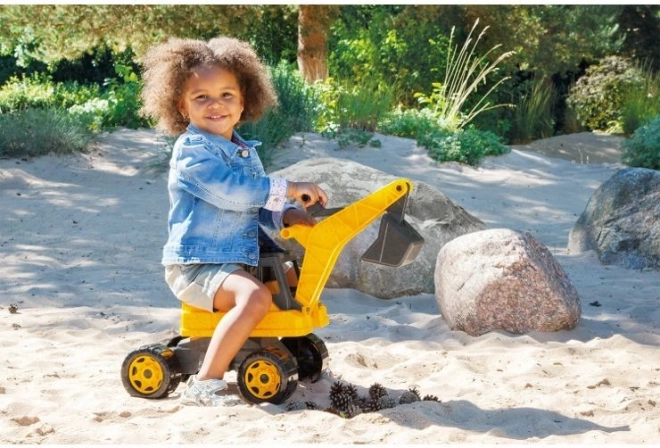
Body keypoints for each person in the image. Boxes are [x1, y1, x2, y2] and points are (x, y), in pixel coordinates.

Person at [139, 36, 328, 407]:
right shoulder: (192, 152)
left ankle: (281, 342)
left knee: (292, 280)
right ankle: (205, 382)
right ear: (181, 105)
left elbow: (256, 202)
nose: (216, 104)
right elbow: (234, 193)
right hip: (199, 265)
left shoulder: (243, 152)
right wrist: (289, 188)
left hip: (237, 260)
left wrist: (287, 213)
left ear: (245, 101)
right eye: (201, 97)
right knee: (255, 296)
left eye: (227, 95)